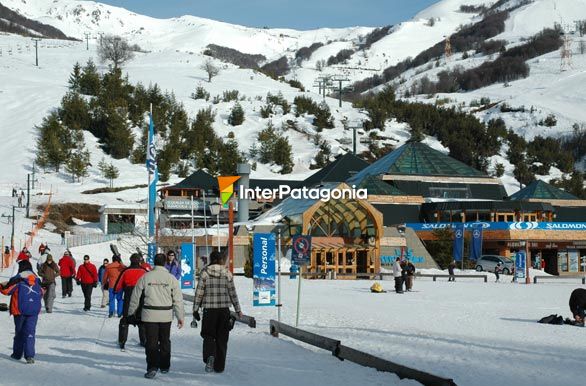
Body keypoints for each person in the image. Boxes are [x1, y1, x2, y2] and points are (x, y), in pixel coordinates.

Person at [128, 253, 185, 379]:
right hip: (165, 315)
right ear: (165, 262)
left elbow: (135, 296)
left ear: (154, 262)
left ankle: (152, 367)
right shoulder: (171, 279)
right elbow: (178, 299)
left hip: (149, 315)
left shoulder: (146, 277)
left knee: (151, 342)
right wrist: (180, 316)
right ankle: (165, 365)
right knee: (165, 340)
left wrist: (131, 312)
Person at [193, 250, 242, 373]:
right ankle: (219, 367)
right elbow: (233, 293)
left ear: (211, 259)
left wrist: (195, 309)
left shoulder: (205, 273)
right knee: (222, 337)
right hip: (224, 311)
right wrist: (238, 309)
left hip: (209, 310)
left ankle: (210, 355)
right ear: (221, 260)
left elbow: (199, 292)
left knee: (208, 335)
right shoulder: (227, 273)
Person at [0, 260, 43, 364]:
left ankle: (17, 354)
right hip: (33, 311)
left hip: (19, 310)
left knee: (19, 332)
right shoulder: (37, 279)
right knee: (30, 333)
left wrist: (1, 285)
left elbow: (7, 291)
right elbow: (41, 292)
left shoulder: (18, 280)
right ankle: (29, 356)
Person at [114, 254, 148, 350]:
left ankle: (122, 341)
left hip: (129, 296)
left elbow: (118, 286)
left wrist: (116, 292)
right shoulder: (144, 271)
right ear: (139, 261)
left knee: (125, 319)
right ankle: (144, 340)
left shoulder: (126, 271)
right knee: (142, 319)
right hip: (141, 296)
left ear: (130, 260)